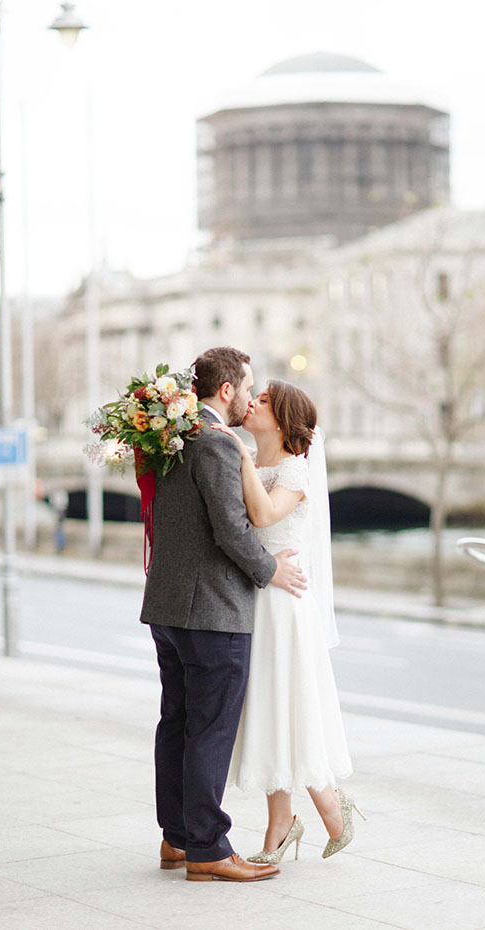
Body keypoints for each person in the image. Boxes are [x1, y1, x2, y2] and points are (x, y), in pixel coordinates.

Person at [139, 347, 307, 883]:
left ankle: (177, 838)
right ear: (227, 390)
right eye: (248, 386)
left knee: (178, 724)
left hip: (169, 605)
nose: (252, 396)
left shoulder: (171, 436)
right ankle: (208, 847)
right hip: (210, 610)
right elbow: (232, 529)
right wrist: (269, 570)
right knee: (207, 731)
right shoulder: (215, 442)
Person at [212, 380, 363, 863]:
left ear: (279, 420)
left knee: (291, 703)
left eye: (261, 400)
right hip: (257, 598)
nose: (249, 403)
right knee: (270, 707)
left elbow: (262, 515)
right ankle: (286, 820)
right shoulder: (255, 462)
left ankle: (322, 806)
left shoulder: (295, 469)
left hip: (285, 605)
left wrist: (238, 455)